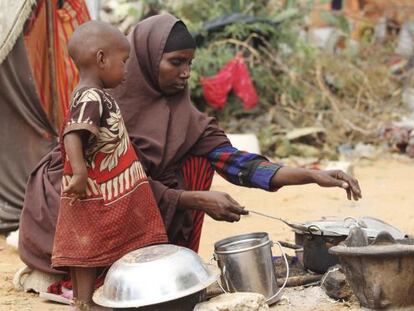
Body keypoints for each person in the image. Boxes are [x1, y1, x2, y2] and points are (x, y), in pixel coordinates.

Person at [18, 13, 361, 292]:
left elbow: (240, 165)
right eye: (176, 62)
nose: (186, 73)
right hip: (82, 199)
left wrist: (314, 176)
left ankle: (132, 263)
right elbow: (111, 182)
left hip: (133, 200)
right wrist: (192, 199)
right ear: (147, 60)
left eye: (189, 63)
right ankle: (74, 274)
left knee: (198, 158)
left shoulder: (185, 117)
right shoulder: (103, 103)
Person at [51, 21, 167, 311]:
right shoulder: (92, 96)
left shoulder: (91, 95)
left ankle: (83, 301)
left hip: (94, 186)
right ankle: (87, 301)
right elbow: (73, 134)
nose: (126, 70)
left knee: (85, 246)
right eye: (123, 62)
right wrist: (78, 172)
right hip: (96, 188)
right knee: (88, 245)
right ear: (101, 59)